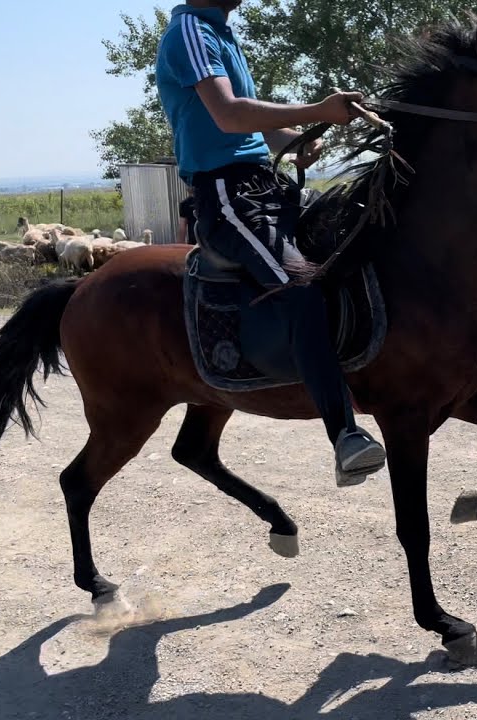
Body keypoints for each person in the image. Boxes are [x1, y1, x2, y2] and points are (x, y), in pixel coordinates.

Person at [155, 0, 387, 485]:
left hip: (263, 184)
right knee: (298, 285)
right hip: (227, 197)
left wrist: (296, 137)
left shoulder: (219, 32)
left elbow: (252, 126)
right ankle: (344, 434)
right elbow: (229, 115)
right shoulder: (192, 33)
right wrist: (320, 108)